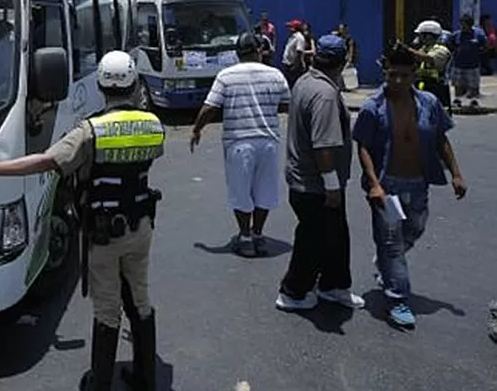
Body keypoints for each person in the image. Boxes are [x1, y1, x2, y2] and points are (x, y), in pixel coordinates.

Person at [0, 50, 165, 391]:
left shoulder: (90, 131)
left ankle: (100, 384)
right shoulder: (154, 126)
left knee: (107, 310)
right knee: (140, 299)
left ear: (101, 86)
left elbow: (45, 162)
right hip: (141, 226)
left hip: (104, 232)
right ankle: (146, 378)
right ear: (134, 83)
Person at [351, 44, 467, 328]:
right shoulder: (372, 107)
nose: (398, 81)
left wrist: (456, 174)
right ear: (385, 73)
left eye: (404, 75)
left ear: (414, 74)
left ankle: (388, 266)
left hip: (418, 183)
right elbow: (363, 147)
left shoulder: (428, 103)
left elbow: (441, 139)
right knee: (392, 244)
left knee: (414, 229)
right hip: (386, 187)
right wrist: (375, 184)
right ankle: (398, 299)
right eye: (393, 75)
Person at [277, 34, 365, 311]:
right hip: (316, 184)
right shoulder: (325, 95)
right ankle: (293, 291)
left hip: (308, 180)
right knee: (313, 240)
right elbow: (323, 146)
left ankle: (334, 285)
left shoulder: (306, 81)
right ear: (343, 63)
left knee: (335, 235)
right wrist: (332, 186)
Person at [191, 33, 291, 257]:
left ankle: (245, 237)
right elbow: (286, 104)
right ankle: (258, 235)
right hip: (268, 142)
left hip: (238, 142)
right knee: (264, 191)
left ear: (237, 54)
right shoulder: (275, 75)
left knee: (241, 191)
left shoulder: (226, 76)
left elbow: (210, 107)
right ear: (259, 51)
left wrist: (197, 129)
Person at [406, 20, 452, 110]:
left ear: (428, 36)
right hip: (422, 88)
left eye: (421, 35)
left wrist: (408, 51)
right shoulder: (422, 49)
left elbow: (429, 59)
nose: (419, 38)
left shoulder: (441, 50)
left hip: (437, 89)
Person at [446, 14, 486, 105]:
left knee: (473, 86)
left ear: (470, 25)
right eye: (462, 24)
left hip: (473, 66)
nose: (463, 26)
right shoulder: (456, 35)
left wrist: (478, 53)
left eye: (465, 24)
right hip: (458, 65)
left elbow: (485, 46)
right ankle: (458, 101)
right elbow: (450, 45)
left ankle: (473, 102)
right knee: (458, 85)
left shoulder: (478, 34)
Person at [281, 19, 310, 88]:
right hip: (288, 65)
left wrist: (295, 67)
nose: (289, 29)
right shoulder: (292, 37)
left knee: (294, 85)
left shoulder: (299, 38)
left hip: (293, 67)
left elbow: (299, 53)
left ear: (295, 28)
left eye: (290, 27)